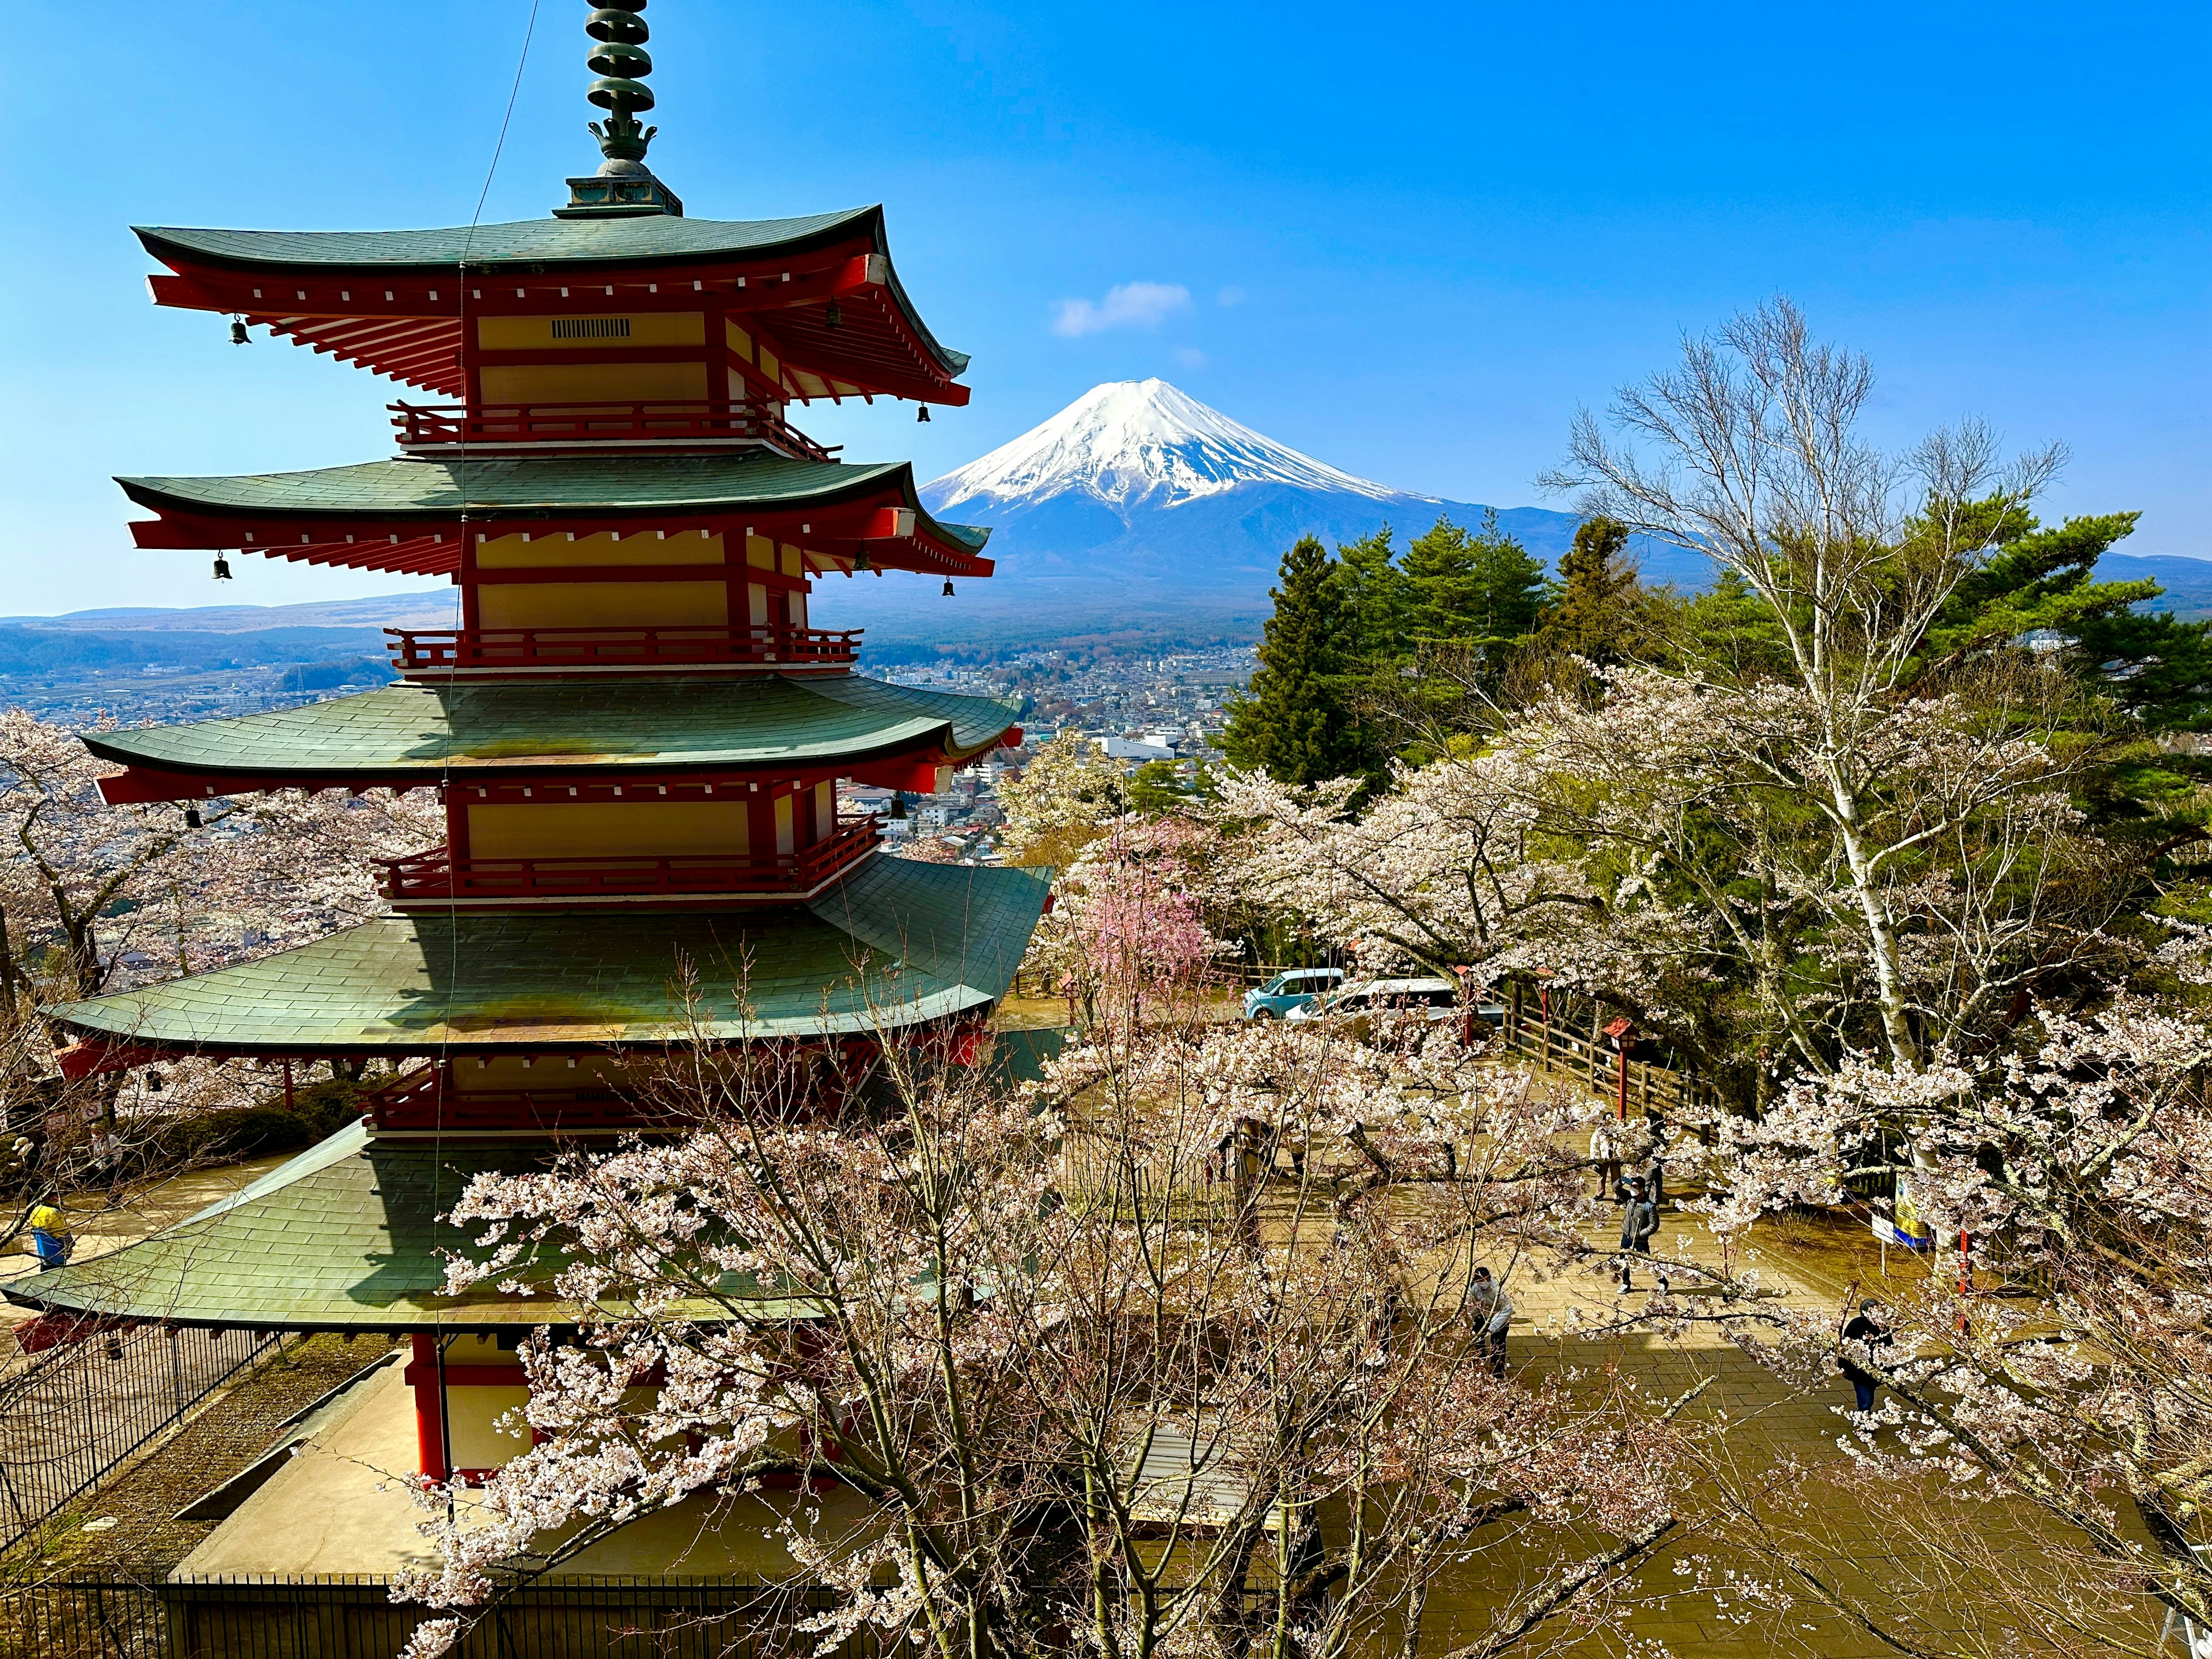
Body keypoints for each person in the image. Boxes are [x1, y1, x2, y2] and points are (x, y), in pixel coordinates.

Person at [1840, 1299, 1892, 1414]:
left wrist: (1891, 1370)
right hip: (1859, 1369)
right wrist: (1844, 1366)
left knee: (1869, 1397)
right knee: (1866, 1400)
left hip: (1876, 1369)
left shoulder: (1883, 1327)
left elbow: (1890, 1348)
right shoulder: (1856, 1325)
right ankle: (1864, 1423)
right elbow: (1845, 1347)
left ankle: (1864, 1418)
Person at [1465, 1266, 1513, 1377]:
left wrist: (1493, 1326)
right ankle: (1479, 1360)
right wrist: (1470, 1318)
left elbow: (1508, 1309)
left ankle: (1498, 1370)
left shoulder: (1497, 1290)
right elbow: (1472, 1305)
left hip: (1500, 1317)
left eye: (1484, 1281)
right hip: (1483, 1315)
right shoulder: (1475, 1287)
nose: (1483, 1283)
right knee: (1477, 1336)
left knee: (1498, 1343)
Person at [1617, 1179, 1660, 1293]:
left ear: (1641, 1189)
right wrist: (1621, 1181)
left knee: (1648, 1263)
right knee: (1624, 1261)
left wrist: (1641, 1234)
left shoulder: (1649, 1206)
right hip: (1626, 1237)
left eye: (1635, 1187)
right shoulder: (1629, 1199)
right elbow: (1616, 1189)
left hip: (1640, 1240)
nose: (1632, 1190)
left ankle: (1662, 1281)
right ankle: (1626, 1283)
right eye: (1632, 1187)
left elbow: (1654, 1225)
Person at [26, 1203, 73, 1269]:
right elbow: (64, 1235)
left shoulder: (36, 1211)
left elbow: (34, 1233)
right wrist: (69, 1248)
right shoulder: (54, 1213)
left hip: (43, 1255)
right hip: (57, 1256)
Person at [1589, 1118, 1623, 1202]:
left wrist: (1621, 1157)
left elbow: (1622, 1145)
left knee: (1617, 1177)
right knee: (1601, 1175)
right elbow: (1594, 1147)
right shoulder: (1599, 1132)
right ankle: (1600, 1193)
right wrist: (1596, 1160)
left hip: (1615, 1157)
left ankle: (1617, 1194)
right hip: (1603, 1158)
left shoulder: (1617, 1131)